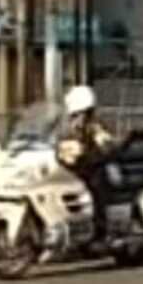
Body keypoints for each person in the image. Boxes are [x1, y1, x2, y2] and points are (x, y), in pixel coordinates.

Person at [57, 85, 118, 238]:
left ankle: (100, 230)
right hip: (75, 165)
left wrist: (98, 144)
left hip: (93, 166)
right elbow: (60, 140)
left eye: (81, 113)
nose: (78, 117)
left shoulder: (95, 125)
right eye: (76, 114)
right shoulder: (69, 126)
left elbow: (104, 141)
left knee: (95, 187)